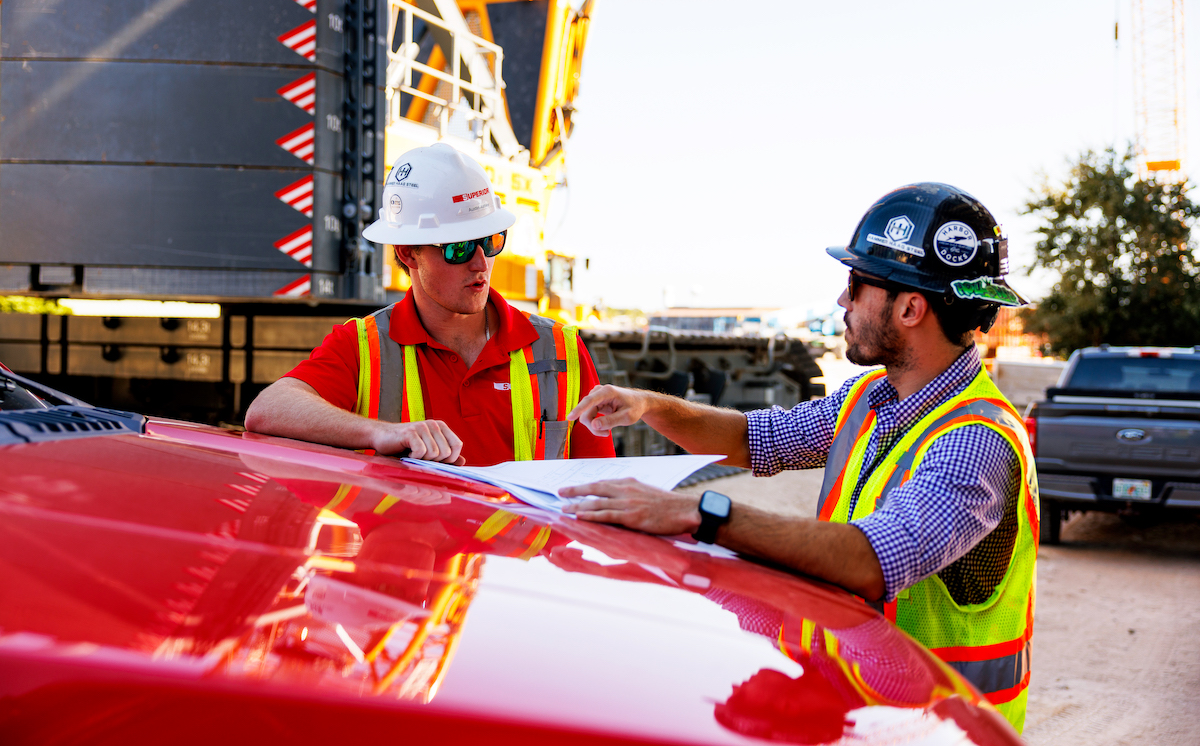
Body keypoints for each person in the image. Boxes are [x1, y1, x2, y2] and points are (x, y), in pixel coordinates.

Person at [560, 183, 1038, 733]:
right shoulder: (871, 400)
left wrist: (700, 514)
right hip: (867, 717)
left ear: (910, 307)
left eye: (857, 285)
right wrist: (647, 405)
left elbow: (874, 559)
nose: (842, 301)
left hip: (940, 731)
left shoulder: (978, 440)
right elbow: (751, 438)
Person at [246, 142, 614, 466]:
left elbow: (600, 486)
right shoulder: (366, 347)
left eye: (491, 241)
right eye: (458, 248)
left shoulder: (561, 349)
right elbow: (267, 410)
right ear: (408, 253)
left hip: (520, 549)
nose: (480, 263)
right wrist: (380, 434)